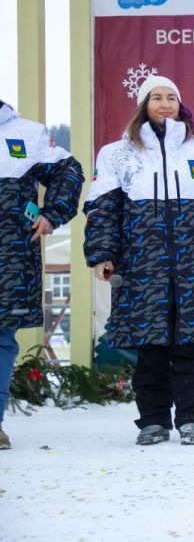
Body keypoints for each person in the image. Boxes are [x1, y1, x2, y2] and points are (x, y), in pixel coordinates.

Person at [84, 76, 194, 446]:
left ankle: (193, 421)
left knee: (192, 346)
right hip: (141, 267)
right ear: (143, 105)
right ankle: (153, 422)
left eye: (172, 97)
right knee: (150, 348)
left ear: (180, 105)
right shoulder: (116, 153)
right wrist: (101, 253)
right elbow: (102, 208)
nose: (165, 103)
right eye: (156, 97)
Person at [0, 99, 84, 450]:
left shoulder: (26, 133)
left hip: (10, 258)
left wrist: (52, 214)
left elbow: (69, 171)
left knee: (1, 338)